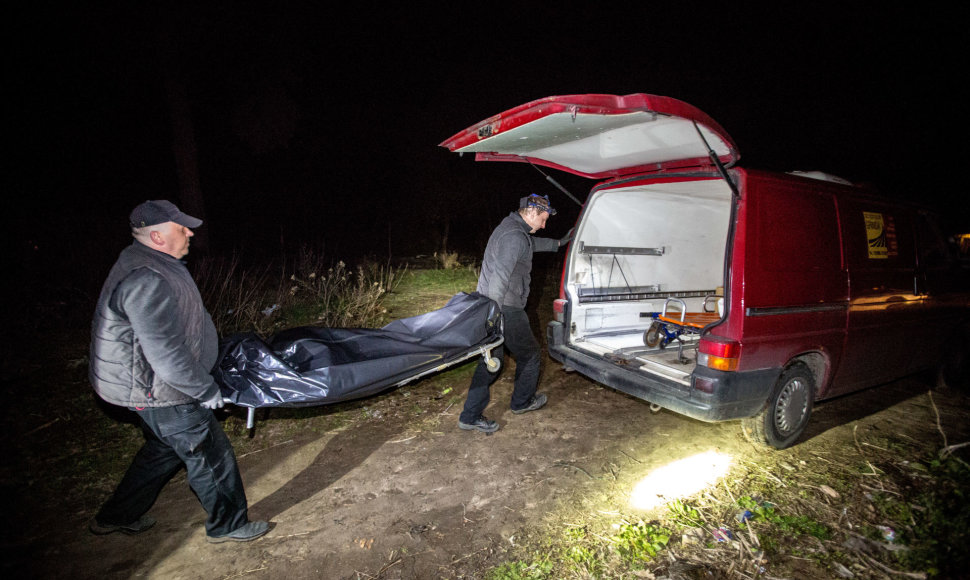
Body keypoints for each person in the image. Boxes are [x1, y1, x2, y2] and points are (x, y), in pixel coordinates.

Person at [88, 199, 270, 543]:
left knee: (165, 448)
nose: (190, 233)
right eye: (181, 228)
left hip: (146, 384)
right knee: (208, 452)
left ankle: (117, 515)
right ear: (157, 237)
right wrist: (205, 389)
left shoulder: (150, 261)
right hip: (161, 389)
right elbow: (166, 353)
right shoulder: (147, 278)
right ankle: (228, 524)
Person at [459, 194, 571, 433]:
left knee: (492, 362)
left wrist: (560, 243)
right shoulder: (514, 237)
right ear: (531, 212)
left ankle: (469, 416)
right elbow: (500, 277)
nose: (544, 225)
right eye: (542, 219)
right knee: (530, 355)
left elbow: (532, 245)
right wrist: (495, 317)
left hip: (493, 306)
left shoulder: (513, 230)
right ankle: (522, 402)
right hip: (503, 308)